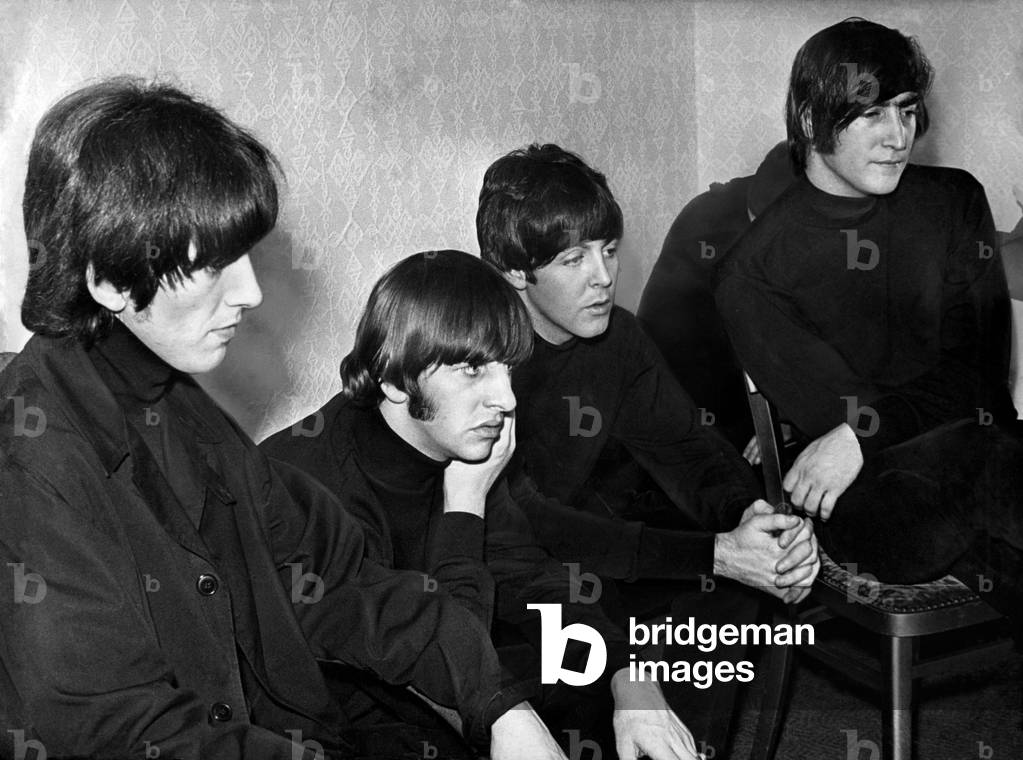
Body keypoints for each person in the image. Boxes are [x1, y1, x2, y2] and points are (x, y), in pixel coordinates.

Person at [0, 77, 566, 760]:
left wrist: (496, 703)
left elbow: (335, 579)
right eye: (212, 264)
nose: (250, 291)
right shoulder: (32, 463)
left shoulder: (175, 404)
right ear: (111, 281)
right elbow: (121, 728)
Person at [261, 249, 701, 760]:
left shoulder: (462, 442)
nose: (507, 400)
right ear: (392, 377)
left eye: (507, 369)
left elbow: (532, 576)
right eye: (472, 370)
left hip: (434, 679)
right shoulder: (311, 490)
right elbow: (438, 658)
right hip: (336, 724)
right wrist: (465, 509)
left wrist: (630, 676)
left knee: (611, 680)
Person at [476, 143, 820, 756]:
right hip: (500, 585)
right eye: (573, 259)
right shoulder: (481, 362)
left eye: (608, 251)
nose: (604, 277)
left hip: (585, 558)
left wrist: (752, 520)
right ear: (514, 271)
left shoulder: (617, 337)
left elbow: (687, 447)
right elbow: (532, 527)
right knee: (617, 615)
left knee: (729, 601)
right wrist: (715, 554)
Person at [716, 18, 1023, 646]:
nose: (897, 136)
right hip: (873, 506)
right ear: (808, 120)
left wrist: (857, 431)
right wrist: (862, 431)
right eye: (870, 114)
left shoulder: (954, 200)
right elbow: (855, 439)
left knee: (993, 492)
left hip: (979, 460)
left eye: (907, 110)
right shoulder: (751, 274)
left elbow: (984, 381)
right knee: (981, 469)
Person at [637, 142, 796, 452]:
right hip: (697, 397)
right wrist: (779, 424)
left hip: (739, 387)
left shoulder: (758, 200)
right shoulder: (709, 224)